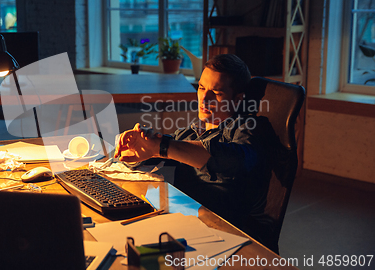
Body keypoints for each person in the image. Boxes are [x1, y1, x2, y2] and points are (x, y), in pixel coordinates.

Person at [114, 54, 281, 242]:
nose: (204, 99)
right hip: (184, 223)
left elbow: (235, 161)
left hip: (224, 235)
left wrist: (163, 147)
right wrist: (140, 149)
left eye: (216, 93)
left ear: (237, 99)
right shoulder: (193, 131)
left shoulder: (251, 127)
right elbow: (165, 149)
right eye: (201, 87)